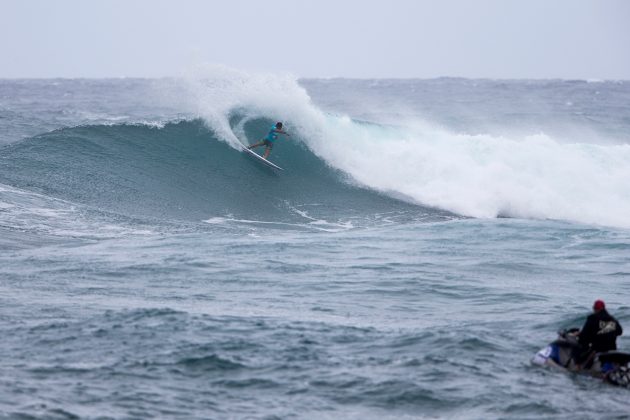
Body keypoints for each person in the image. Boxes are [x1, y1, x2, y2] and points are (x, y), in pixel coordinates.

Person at [575, 299, 623, 367]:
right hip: (612, 349)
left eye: (594, 308)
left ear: (596, 309)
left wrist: (579, 334)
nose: (594, 310)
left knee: (580, 344)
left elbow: (584, 335)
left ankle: (577, 365)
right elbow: (620, 332)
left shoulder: (593, 318)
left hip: (598, 349)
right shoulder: (612, 319)